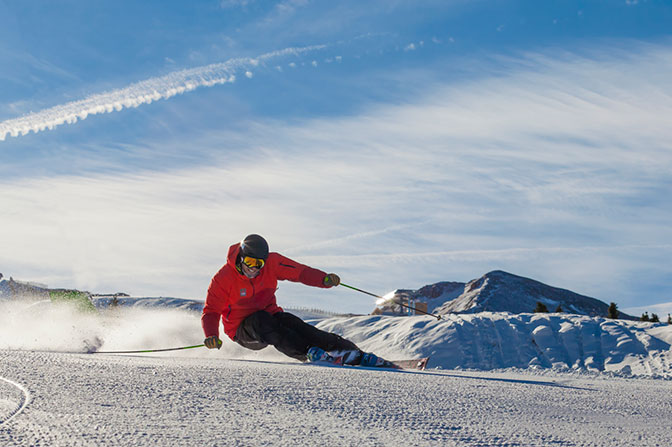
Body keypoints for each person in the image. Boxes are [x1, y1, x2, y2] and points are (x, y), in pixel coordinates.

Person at [201, 234, 365, 364]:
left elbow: (300, 272)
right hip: (242, 331)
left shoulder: (273, 263)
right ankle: (308, 353)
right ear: (240, 257)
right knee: (263, 321)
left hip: (270, 315)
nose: (253, 268)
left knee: (296, 325)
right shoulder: (223, 278)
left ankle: (350, 351)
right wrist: (211, 335)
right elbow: (211, 311)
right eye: (249, 262)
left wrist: (324, 279)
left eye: (259, 264)